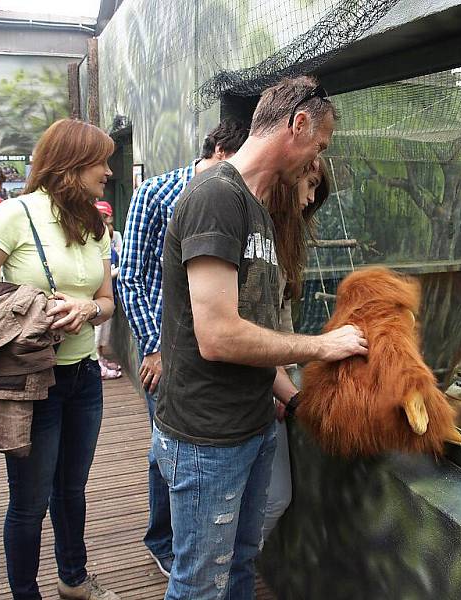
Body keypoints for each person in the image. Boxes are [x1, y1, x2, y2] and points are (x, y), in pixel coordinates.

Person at [153, 75, 367, 599]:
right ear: (296, 125)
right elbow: (219, 337)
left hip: (251, 427)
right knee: (200, 584)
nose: (315, 161)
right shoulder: (216, 198)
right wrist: (323, 346)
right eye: (318, 146)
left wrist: (293, 401)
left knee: (242, 566)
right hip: (209, 439)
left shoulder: (258, 208)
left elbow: (261, 330)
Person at [0, 118, 119, 600]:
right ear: (71, 164)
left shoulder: (93, 221)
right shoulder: (15, 214)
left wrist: (88, 309)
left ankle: (74, 581)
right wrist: (36, 308)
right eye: (100, 161)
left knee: (72, 491)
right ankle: (26, 592)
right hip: (32, 382)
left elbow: (107, 300)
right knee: (30, 501)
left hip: (84, 378)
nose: (107, 171)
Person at [117, 119, 248, 576]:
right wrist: (155, 349)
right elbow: (130, 277)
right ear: (214, 151)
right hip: (164, 350)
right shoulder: (155, 193)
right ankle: (164, 540)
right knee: (164, 449)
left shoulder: (242, 199)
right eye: (228, 165)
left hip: (215, 352)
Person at [261, 158, 330, 540]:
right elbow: (245, 332)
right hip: (236, 399)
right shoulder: (252, 231)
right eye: (310, 183)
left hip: (271, 383)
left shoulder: (285, 240)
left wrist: (285, 383)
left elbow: (280, 321)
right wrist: (288, 393)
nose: (312, 196)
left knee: (274, 498)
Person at [95, 216, 121, 380]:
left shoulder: (110, 249)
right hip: (96, 299)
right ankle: (98, 364)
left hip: (110, 297)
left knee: (104, 335)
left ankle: (101, 359)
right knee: (96, 335)